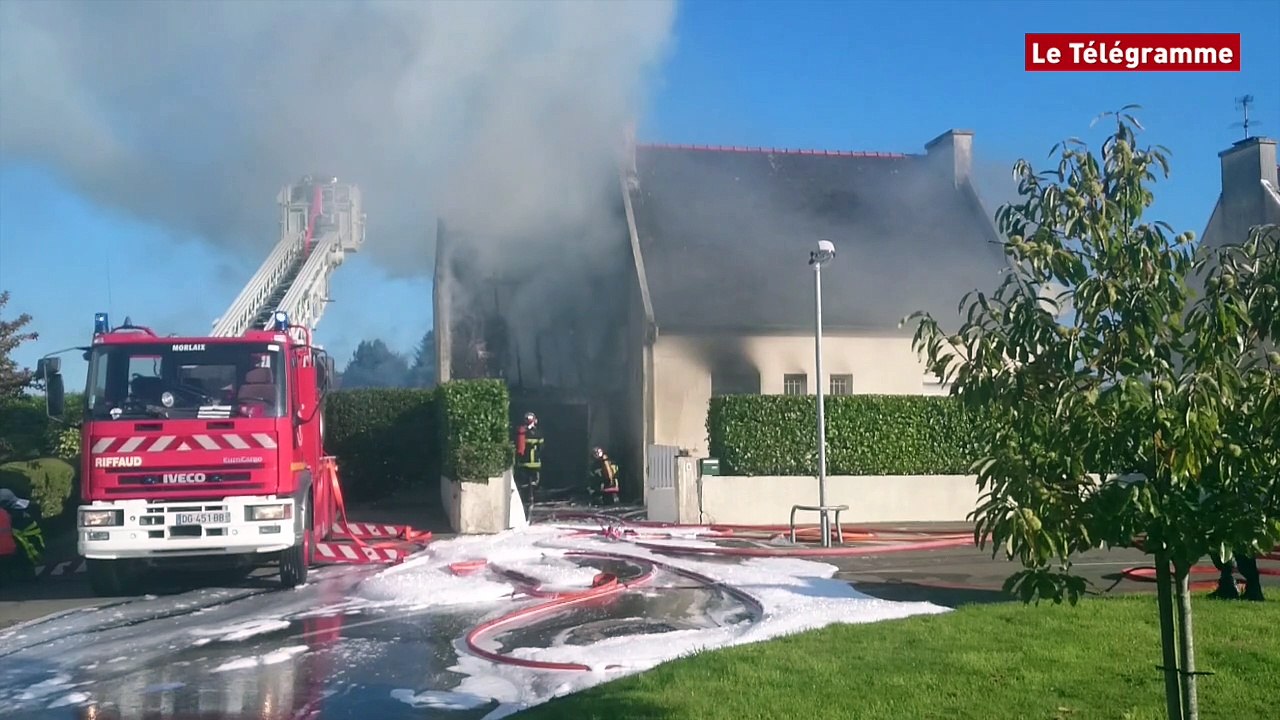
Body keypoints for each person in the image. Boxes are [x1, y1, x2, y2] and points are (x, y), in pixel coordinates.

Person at [514, 412, 543, 508]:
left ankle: (524, 499)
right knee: (534, 482)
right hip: (534, 462)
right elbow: (541, 446)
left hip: (523, 462)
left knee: (523, 483)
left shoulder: (521, 432)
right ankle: (531, 498)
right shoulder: (537, 432)